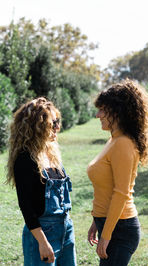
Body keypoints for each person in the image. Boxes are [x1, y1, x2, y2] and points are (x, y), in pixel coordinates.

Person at [7, 97, 77, 266]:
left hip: (66, 230)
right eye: (53, 123)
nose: (58, 127)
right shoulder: (25, 158)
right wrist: (43, 242)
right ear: (38, 126)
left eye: (58, 121)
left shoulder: (51, 153)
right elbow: (26, 206)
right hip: (42, 235)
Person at [87, 79, 148, 266]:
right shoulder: (114, 140)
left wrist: (106, 235)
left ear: (118, 112)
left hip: (120, 230)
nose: (98, 115)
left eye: (103, 110)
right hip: (110, 224)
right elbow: (106, 188)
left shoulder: (123, 143)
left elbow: (121, 193)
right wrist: (95, 222)